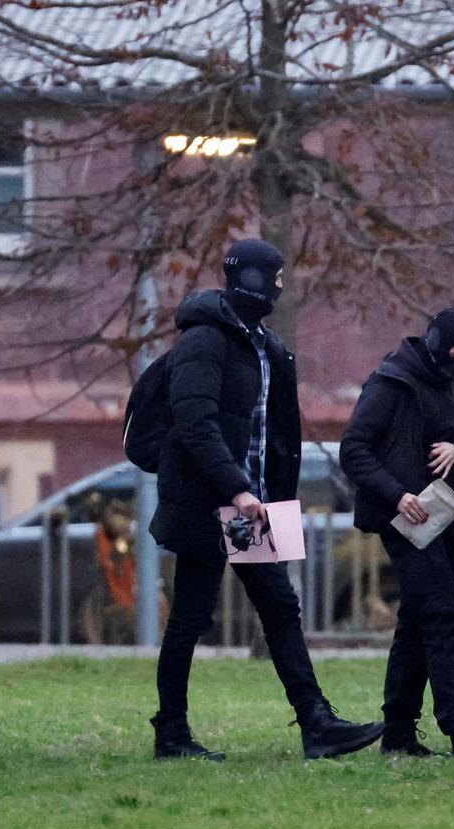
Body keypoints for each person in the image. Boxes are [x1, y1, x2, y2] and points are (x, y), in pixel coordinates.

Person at [148, 238, 383, 761]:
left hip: (251, 507)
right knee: (191, 615)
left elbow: (271, 430)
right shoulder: (204, 341)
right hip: (209, 504)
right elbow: (195, 422)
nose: (280, 286)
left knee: (280, 606)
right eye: (274, 277)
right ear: (252, 278)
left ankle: (317, 724)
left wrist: (270, 496)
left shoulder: (265, 344)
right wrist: (236, 487)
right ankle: (172, 733)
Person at [339, 309, 454, 760]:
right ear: (434, 344)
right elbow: (354, 450)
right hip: (405, 522)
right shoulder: (389, 385)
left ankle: (398, 732)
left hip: (443, 519)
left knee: (416, 625)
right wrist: (397, 496)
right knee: (446, 619)